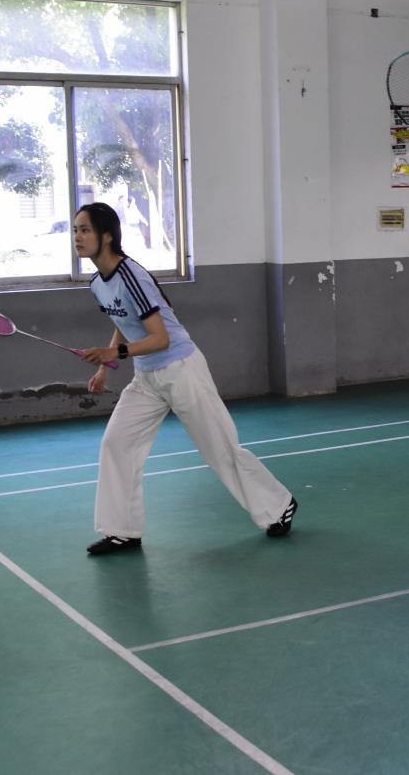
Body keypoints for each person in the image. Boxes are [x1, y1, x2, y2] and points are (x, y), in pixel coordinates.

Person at [73, 202, 297, 554]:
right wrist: (105, 366)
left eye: (85, 230)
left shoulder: (132, 275)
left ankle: (278, 506)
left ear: (107, 236)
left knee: (220, 448)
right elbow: (123, 322)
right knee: (116, 444)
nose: (77, 237)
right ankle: (122, 531)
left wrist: (113, 354)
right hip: (147, 377)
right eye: (75, 230)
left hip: (180, 369)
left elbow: (160, 338)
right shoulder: (98, 283)